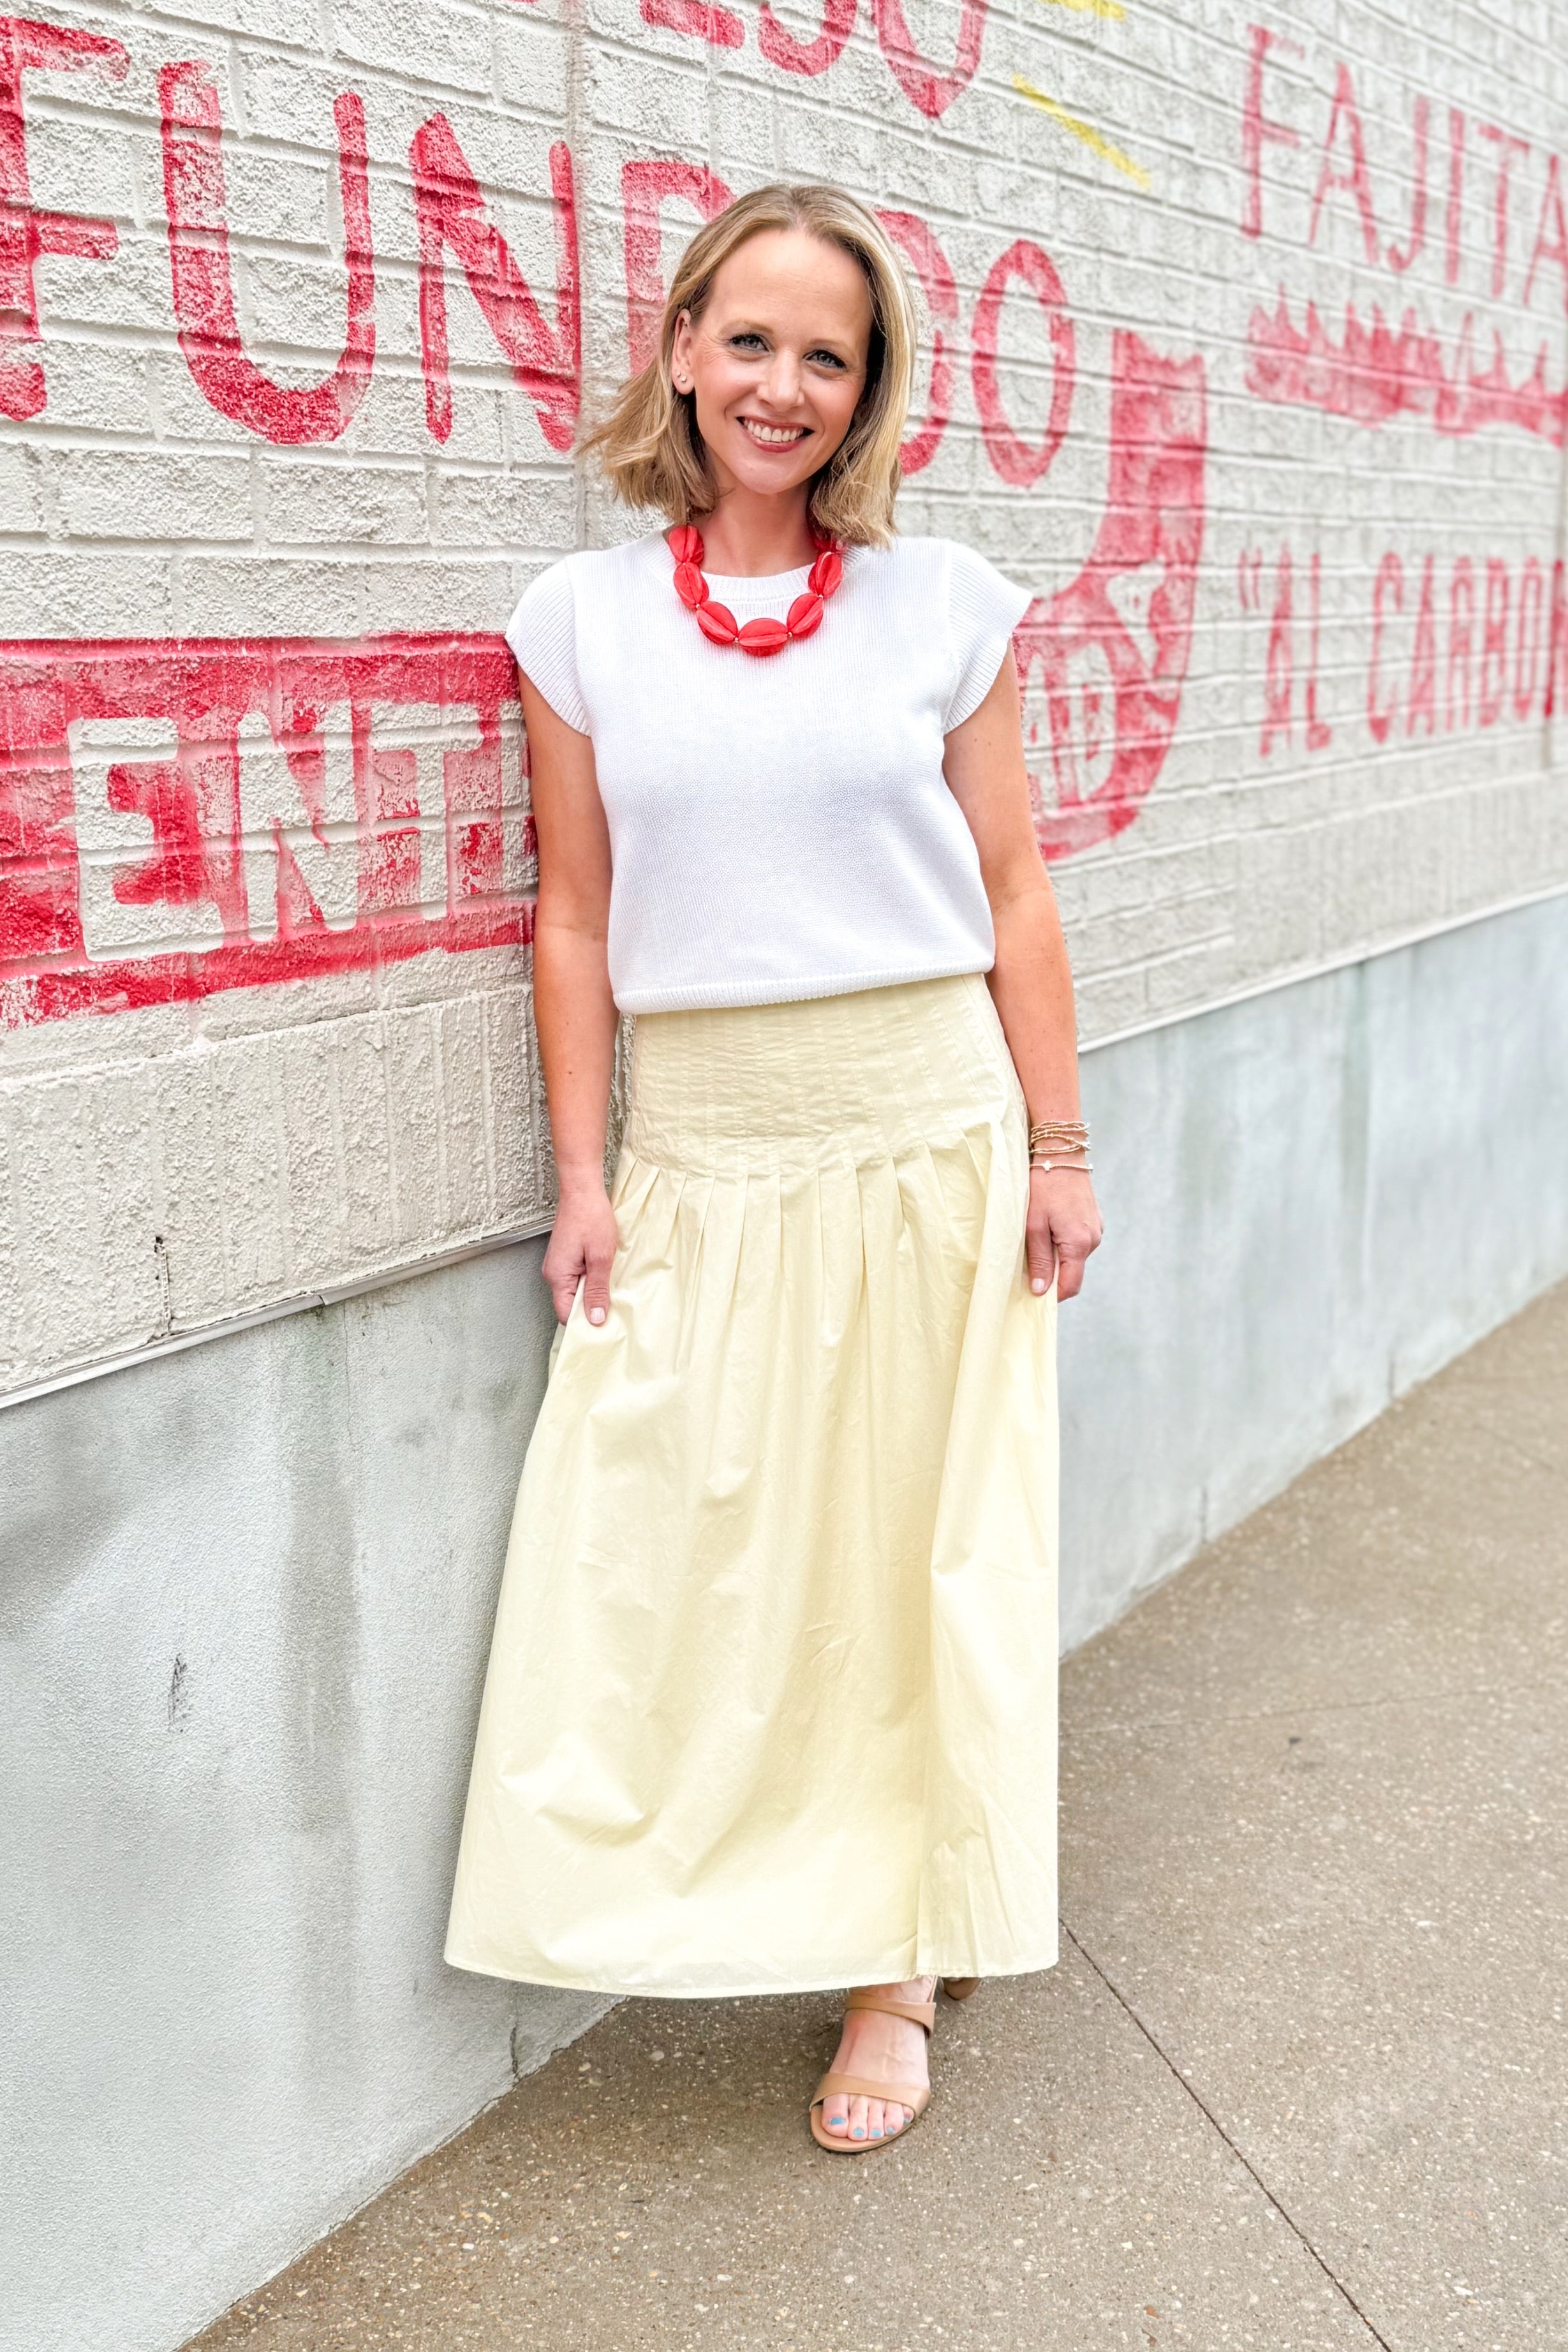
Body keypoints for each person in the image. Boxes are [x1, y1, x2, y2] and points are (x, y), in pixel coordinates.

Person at [445, 182, 1103, 2154]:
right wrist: (587, 1174)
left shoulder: (941, 605)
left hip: (922, 1121)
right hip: (707, 1143)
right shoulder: (580, 622)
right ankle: (747, 1887)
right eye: (750, 340)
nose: (783, 385)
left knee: (915, 1559)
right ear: (679, 348)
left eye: (829, 354)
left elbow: (1010, 886)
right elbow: (574, 916)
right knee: (681, 1550)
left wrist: (1056, 1143)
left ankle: (893, 1970)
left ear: (866, 389)